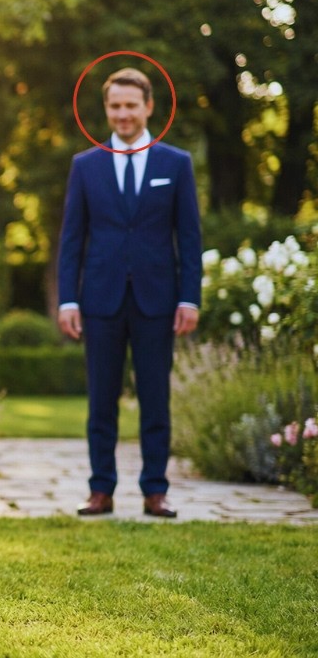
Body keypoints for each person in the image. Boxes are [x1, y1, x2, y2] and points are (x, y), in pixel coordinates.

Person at [57, 67, 202, 519]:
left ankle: (155, 491)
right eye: (115, 106)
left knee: (156, 399)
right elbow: (71, 240)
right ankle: (100, 490)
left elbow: (189, 238)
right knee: (101, 401)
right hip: (99, 300)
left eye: (131, 105)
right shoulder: (86, 165)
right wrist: (68, 299)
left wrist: (189, 298)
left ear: (148, 107)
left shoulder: (176, 164)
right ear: (106, 109)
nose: (123, 114)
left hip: (158, 300)